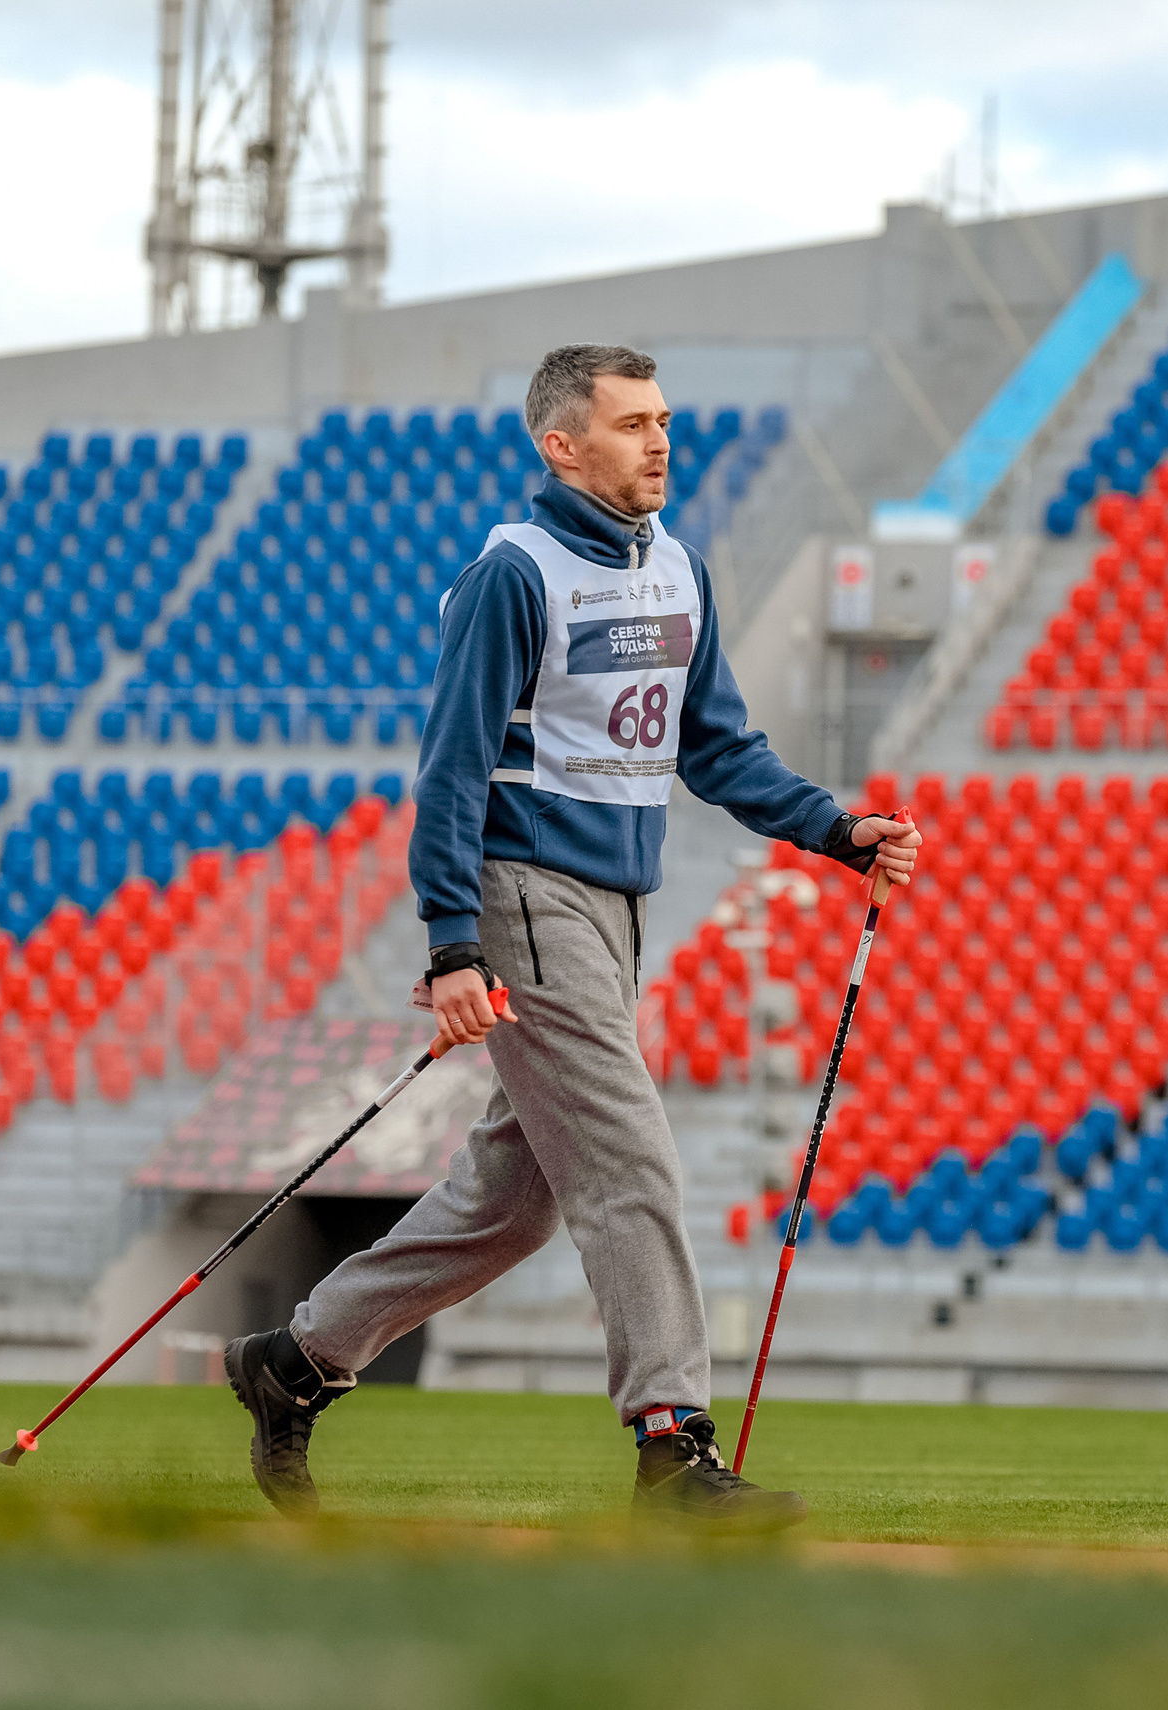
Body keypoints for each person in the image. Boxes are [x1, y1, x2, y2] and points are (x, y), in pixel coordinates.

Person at [224, 344, 923, 1530]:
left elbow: (717, 750)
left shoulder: (678, 569)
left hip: (621, 911)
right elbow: (450, 773)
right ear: (561, 444)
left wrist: (836, 829)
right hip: (526, 900)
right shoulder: (514, 573)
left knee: (517, 1202)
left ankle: (295, 1360)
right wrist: (453, 942)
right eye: (630, 424)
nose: (658, 441)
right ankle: (671, 1448)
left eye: (663, 420)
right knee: (633, 1161)